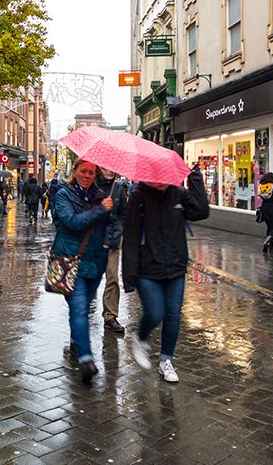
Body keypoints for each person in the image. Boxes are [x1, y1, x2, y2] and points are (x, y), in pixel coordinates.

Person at [122, 166, 209, 383]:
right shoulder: (138, 198)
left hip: (175, 267)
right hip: (147, 269)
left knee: (173, 315)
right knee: (155, 312)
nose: (160, 181)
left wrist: (195, 179)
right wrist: (129, 277)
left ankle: (166, 360)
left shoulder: (179, 194)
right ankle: (140, 338)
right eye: (155, 176)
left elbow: (201, 212)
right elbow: (131, 238)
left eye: (163, 175)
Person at [52, 159, 114, 382]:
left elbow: (112, 224)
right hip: (71, 259)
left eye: (91, 172)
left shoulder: (101, 196)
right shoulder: (63, 194)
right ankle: (86, 359)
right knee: (78, 308)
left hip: (96, 261)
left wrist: (108, 241)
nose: (88, 175)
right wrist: (100, 210)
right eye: (84, 171)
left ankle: (77, 340)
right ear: (75, 171)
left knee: (84, 307)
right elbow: (72, 222)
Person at [97, 168, 128, 334]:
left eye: (111, 168)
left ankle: (110, 316)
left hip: (113, 241)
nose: (109, 171)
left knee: (113, 278)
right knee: (87, 280)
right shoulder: (92, 185)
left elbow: (124, 213)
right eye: (104, 167)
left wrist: (117, 230)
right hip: (94, 241)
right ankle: (79, 318)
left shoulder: (118, 188)